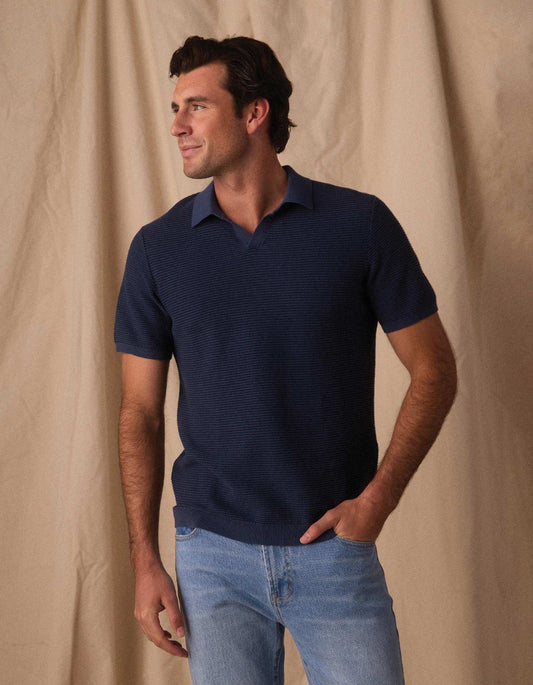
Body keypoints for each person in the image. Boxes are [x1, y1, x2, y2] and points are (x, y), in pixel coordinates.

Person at [114, 35, 457, 684]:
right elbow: (139, 412)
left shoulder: (358, 225)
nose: (177, 125)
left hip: (333, 548)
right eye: (175, 108)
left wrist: (376, 501)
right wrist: (144, 559)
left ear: (254, 113)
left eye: (196, 106)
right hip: (211, 556)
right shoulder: (158, 249)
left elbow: (434, 370)